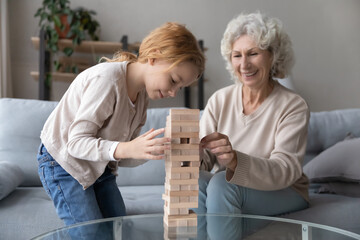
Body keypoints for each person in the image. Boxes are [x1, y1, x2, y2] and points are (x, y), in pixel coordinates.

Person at [37, 22, 205, 227]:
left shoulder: (142, 98)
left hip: (99, 166)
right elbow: (76, 143)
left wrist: (154, 149)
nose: (173, 93)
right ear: (154, 57)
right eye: (173, 80)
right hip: (64, 163)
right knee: (91, 233)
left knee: (119, 228)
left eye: (180, 88)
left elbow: (123, 156)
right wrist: (127, 148)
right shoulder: (107, 79)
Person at [197, 12, 310, 217]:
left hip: (285, 190)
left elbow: (284, 170)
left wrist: (234, 162)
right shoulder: (219, 100)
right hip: (231, 189)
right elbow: (203, 160)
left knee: (223, 184)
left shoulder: (293, 105)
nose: (244, 64)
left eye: (253, 53)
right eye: (237, 55)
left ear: (272, 55)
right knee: (194, 183)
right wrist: (188, 154)